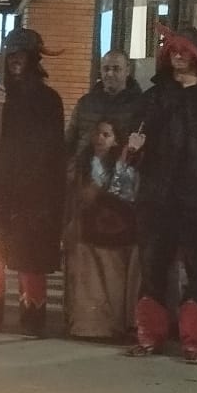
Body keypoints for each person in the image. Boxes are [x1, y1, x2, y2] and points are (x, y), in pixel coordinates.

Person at [126, 27, 197, 363]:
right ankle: (150, 335)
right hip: (156, 198)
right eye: (172, 50)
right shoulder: (155, 97)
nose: (177, 56)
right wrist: (132, 151)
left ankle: (193, 340)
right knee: (152, 267)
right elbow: (135, 143)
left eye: (184, 50)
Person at [0, 29, 67, 336]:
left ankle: (33, 318)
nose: (15, 63)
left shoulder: (48, 100)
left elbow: (53, 149)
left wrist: (46, 192)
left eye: (21, 57)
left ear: (31, 59)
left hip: (33, 190)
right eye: (11, 57)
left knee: (30, 257)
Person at [65, 119, 143, 341]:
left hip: (114, 229)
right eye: (98, 133)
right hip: (87, 229)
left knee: (112, 277)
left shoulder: (123, 163)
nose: (100, 138)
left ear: (115, 139)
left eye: (106, 134)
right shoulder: (82, 163)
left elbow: (126, 193)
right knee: (87, 278)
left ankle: (112, 325)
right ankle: (88, 325)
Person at [66, 50, 143, 158]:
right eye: (106, 69)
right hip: (85, 169)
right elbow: (70, 139)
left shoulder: (141, 105)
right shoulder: (85, 103)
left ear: (127, 70)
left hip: (121, 170)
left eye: (116, 69)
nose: (110, 74)